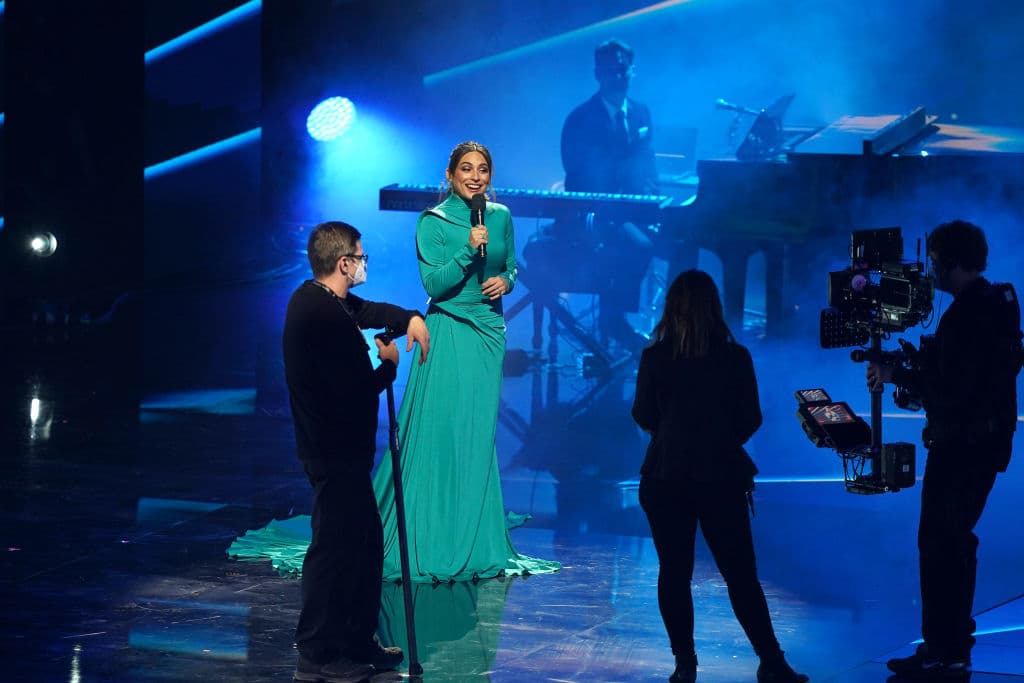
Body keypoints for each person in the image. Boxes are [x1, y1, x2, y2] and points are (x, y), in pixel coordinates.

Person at [372, 141, 561, 582]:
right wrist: (467, 249)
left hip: (488, 334)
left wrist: (505, 281)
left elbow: (511, 266)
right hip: (450, 329)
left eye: (482, 170)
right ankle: (431, 527)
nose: (475, 177)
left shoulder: (501, 216)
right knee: (444, 430)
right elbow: (434, 285)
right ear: (451, 174)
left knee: (476, 435)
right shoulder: (433, 221)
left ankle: (471, 529)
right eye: (466, 169)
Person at [632, 270, 809, 683]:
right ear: (715, 307)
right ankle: (771, 661)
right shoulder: (735, 357)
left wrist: (674, 434)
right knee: (740, 574)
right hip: (720, 474)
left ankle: (685, 664)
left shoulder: (655, 357)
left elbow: (643, 414)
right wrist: (719, 441)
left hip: (666, 474)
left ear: (672, 308)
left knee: (674, 572)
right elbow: (751, 417)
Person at [867, 220, 1022, 680]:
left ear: (953, 261)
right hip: (984, 444)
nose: (931, 273)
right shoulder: (998, 302)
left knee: (940, 545)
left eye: (935, 262)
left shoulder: (966, 315)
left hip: (961, 447)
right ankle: (950, 646)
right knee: (954, 542)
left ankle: (942, 648)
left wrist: (898, 375)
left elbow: (952, 389)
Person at [282, 220, 430, 682]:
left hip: (345, 453)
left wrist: (409, 317)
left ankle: (356, 640)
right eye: (361, 257)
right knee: (335, 550)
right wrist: (388, 368)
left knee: (364, 545)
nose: (365, 264)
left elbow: (368, 310)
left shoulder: (326, 302)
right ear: (344, 263)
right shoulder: (321, 316)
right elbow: (352, 392)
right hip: (332, 451)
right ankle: (318, 652)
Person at [558, 38, 660, 353]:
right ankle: (614, 320)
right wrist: (619, 207)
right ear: (598, 74)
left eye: (624, 69)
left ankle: (680, 327)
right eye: (612, 70)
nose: (620, 76)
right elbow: (578, 177)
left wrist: (653, 199)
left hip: (633, 211)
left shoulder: (641, 112)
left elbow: (648, 164)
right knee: (639, 244)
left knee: (681, 239)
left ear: (632, 71)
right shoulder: (580, 119)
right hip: (594, 214)